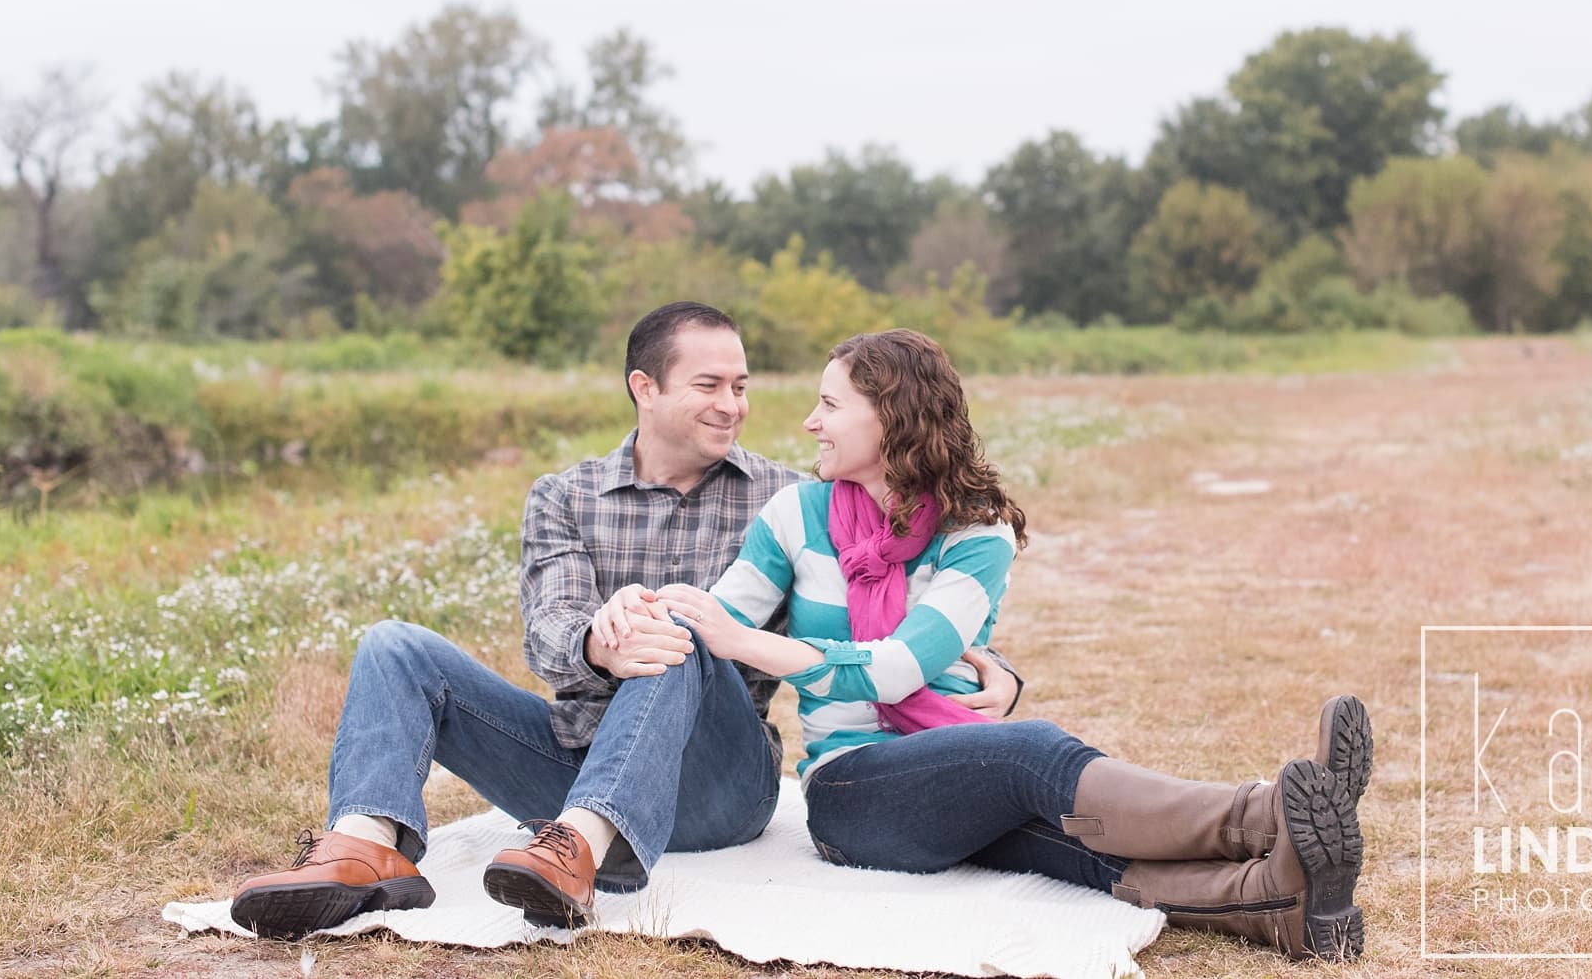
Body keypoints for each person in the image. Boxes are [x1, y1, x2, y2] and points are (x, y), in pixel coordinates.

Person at [227, 302, 1020, 938]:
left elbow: (893, 610)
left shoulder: (788, 496)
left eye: (741, 385)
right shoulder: (563, 495)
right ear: (645, 388)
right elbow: (549, 634)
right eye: (710, 384)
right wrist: (600, 640)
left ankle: (579, 852)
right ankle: (368, 848)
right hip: (567, 757)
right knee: (394, 645)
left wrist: (997, 668)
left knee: (673, 629)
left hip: (715, 779)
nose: (734, 404)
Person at [655, 329, 1373, 963]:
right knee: (1029, 752)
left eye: (831, 404)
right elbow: (720, 624)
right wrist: (687, 624)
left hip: (950, 766)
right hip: (849, 791)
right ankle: (1262, 812)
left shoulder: (977, 534)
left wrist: (753, 642)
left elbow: (904, 665)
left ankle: (1273, 901)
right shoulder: (794, 514)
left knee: (1059, 842)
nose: (811, 421)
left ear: (892, 418)